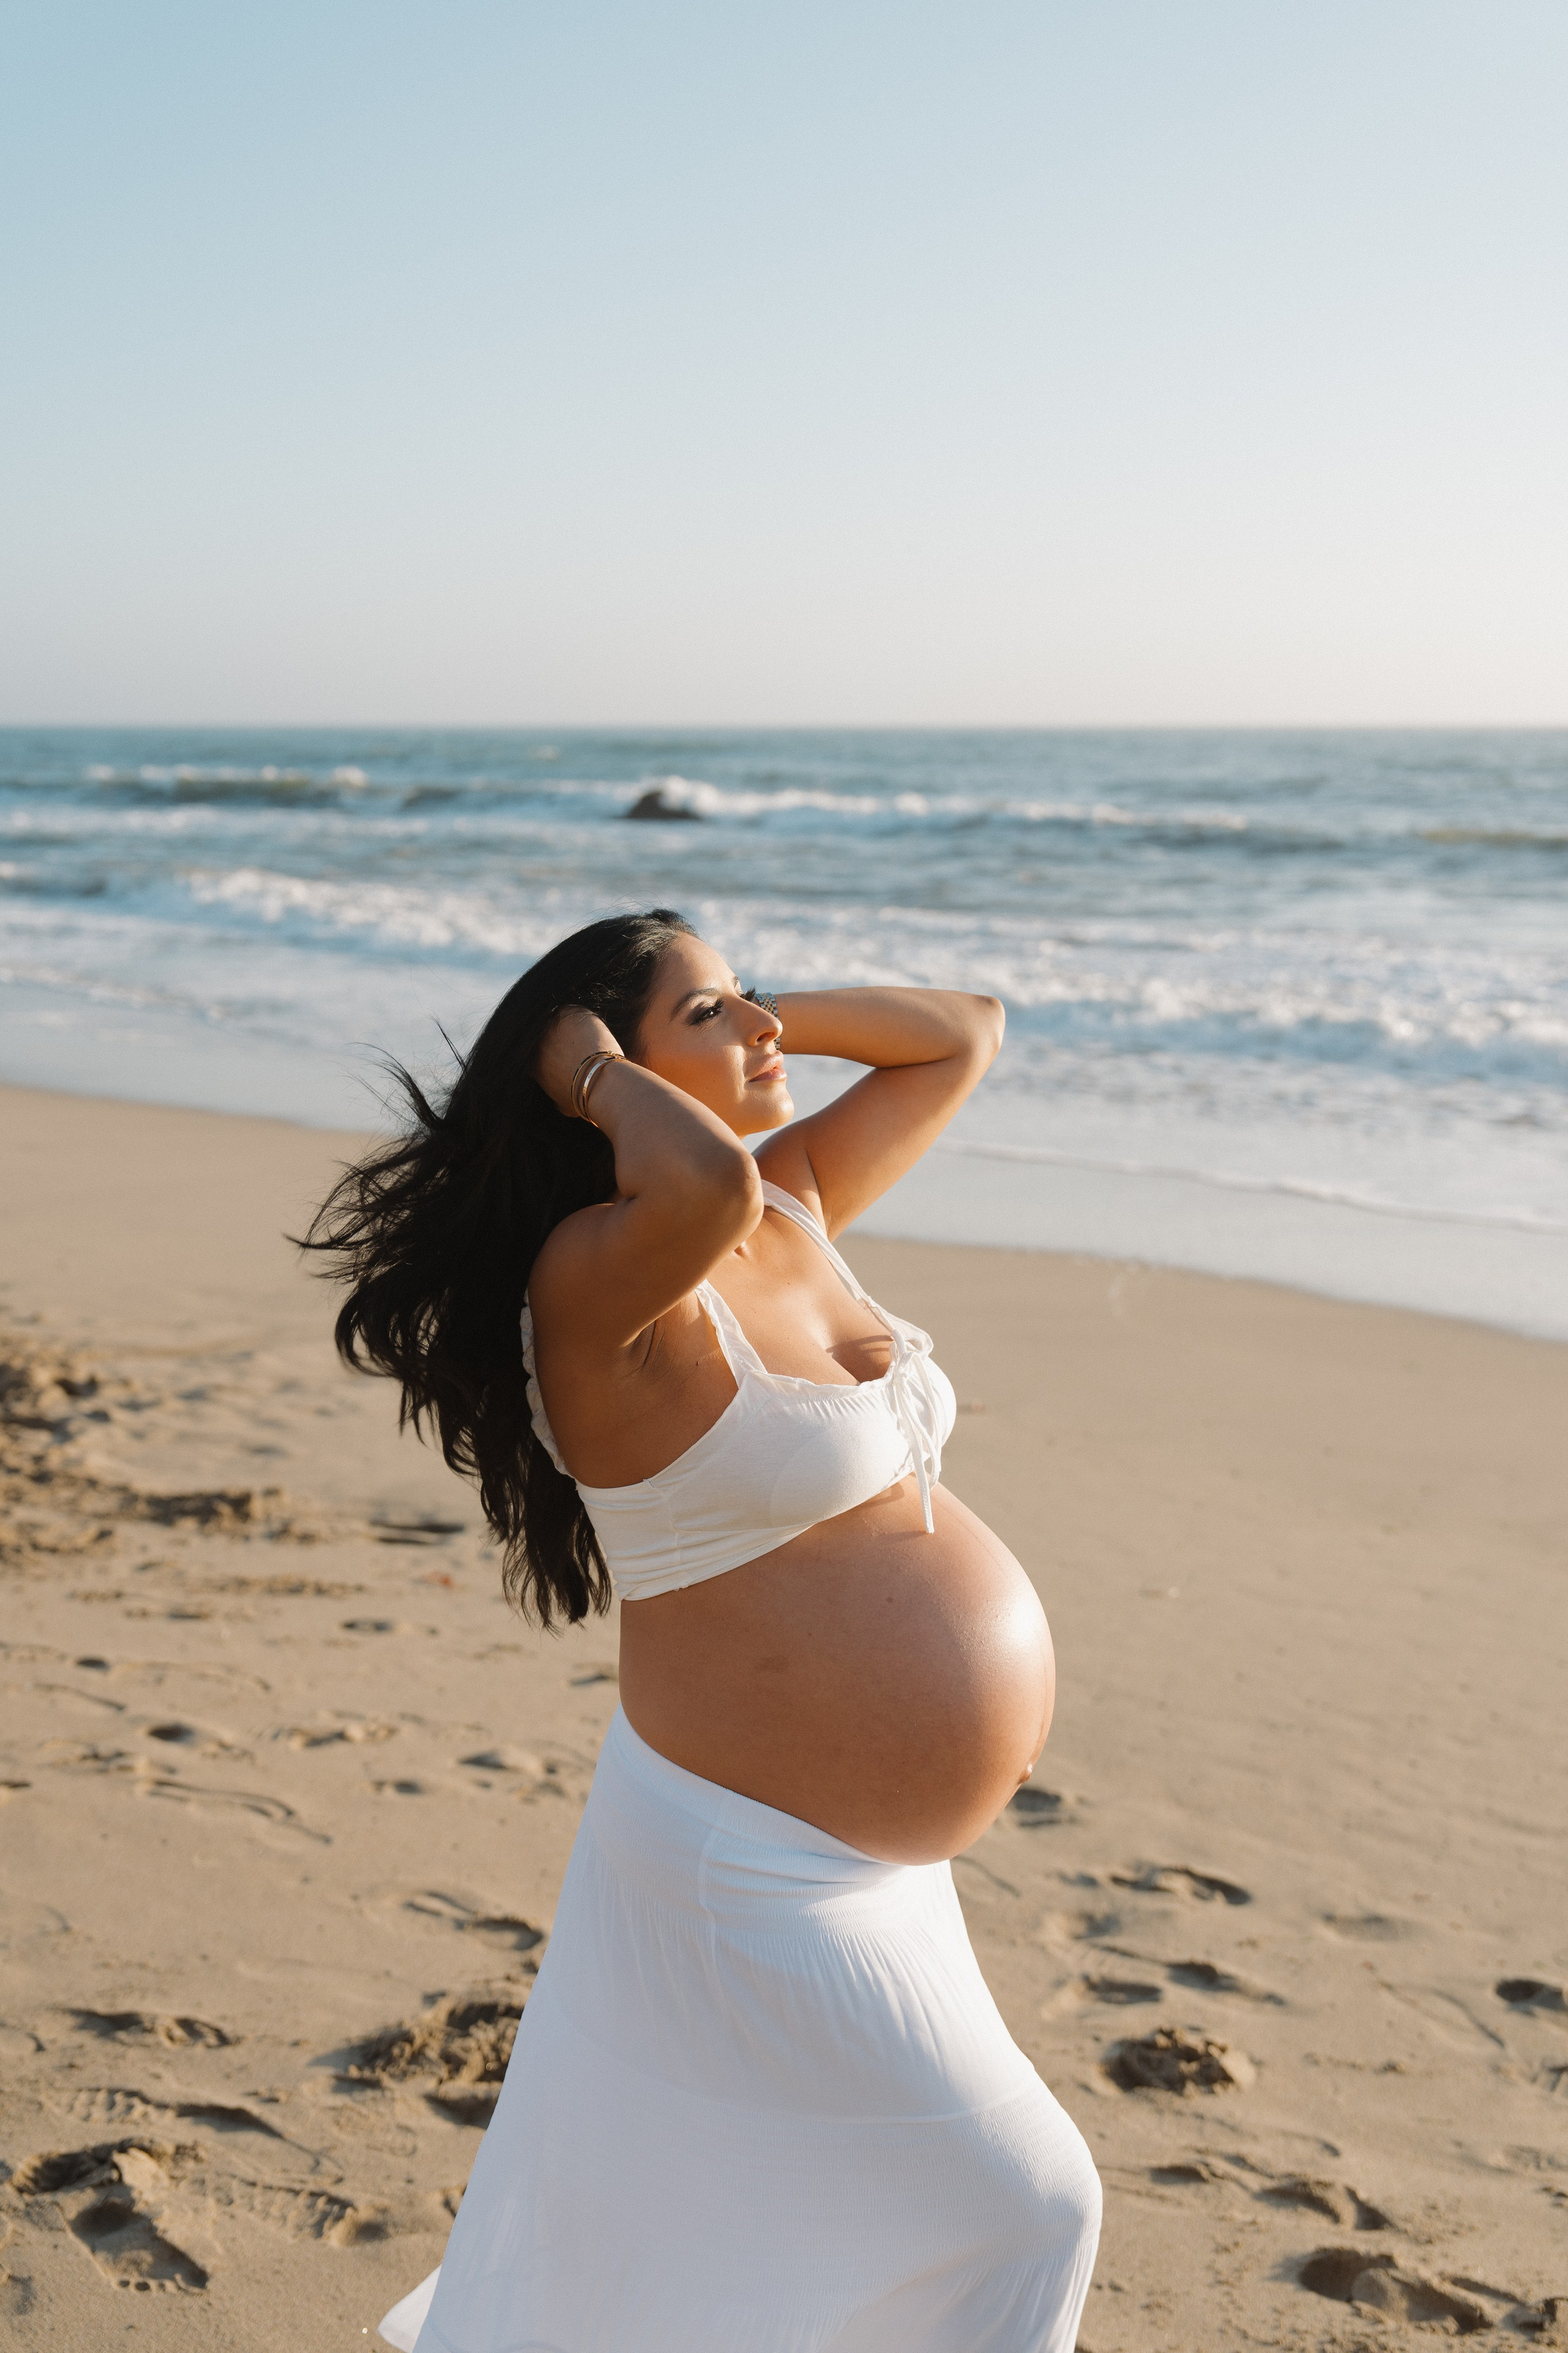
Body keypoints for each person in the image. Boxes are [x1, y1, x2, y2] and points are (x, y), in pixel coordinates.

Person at [306, 908, 1100, 2353]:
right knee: (1030, 2206)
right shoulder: (595, 1280)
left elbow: (961, 1034)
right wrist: (589, 1070)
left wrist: (757, 1010)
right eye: (708, 1014)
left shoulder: (788, 1207)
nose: (756, 1031)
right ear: (598, 1077)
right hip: (747, 1869)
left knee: (864, 2225)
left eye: (746, 999)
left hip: (879, 1871)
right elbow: (700, 1186)